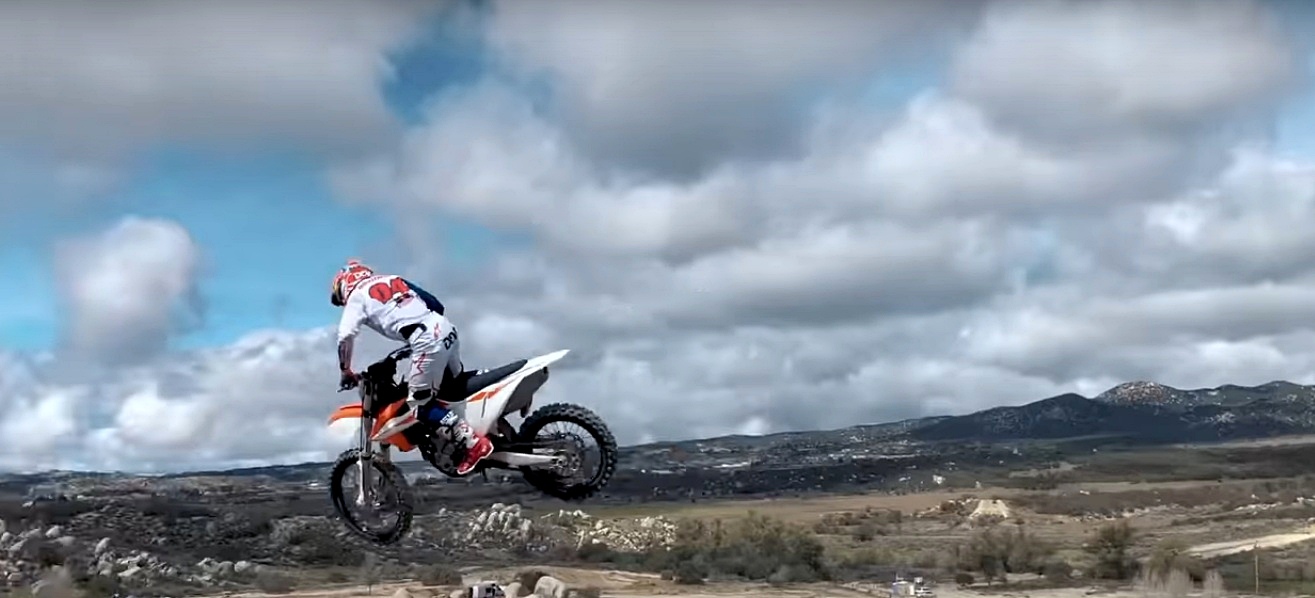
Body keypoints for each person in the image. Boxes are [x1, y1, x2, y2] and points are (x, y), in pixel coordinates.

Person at [330, 259, 493, 475]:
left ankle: (473, 444)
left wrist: (346, 371)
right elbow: (435, 304)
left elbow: (345, 336)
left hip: (425, 340)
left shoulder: (356, 297)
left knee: (419, 405)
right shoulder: (394, 279)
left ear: (344, 284)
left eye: (340, 297)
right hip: (444, 329)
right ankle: (486, 428)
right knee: (453, 389)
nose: (342, 302)